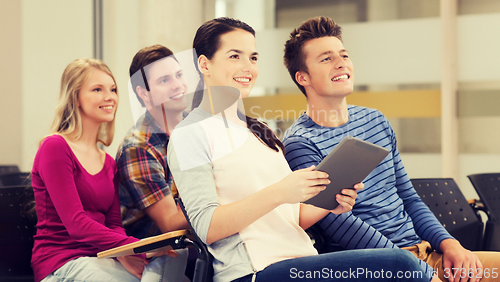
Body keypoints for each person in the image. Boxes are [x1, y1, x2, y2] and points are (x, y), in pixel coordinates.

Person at [167, 17, 436, 282]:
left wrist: (331, 204)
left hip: (301, 258)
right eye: (235, 56)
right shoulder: (189, 135)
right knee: (400, 264)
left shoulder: (258, 131)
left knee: (401, 266)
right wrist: (279, 192)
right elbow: (207, 227)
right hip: (255, 270)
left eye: (253, 58)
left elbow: (293, 217)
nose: (247, 67)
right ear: (205, 64)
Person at [282, 16, 500, 282]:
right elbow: (335, 224)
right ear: (302, 77)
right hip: (378, 266)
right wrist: (407, 265)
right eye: (326, 59)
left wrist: (449, 244)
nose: (341, 63)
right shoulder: (301, 143)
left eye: (344, 55)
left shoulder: (375, 120)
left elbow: (408, 196)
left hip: (425, 253)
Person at [30, 58, 182, 282]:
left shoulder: (108, 161)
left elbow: (113, 225)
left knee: (176, 263)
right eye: (97, 89)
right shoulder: (55, 147)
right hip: (61, 262)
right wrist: (132, 247)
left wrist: (123, 254)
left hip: (101, 258)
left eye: (113, 89)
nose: (109, 97)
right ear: (75, 98)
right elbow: (76, 223)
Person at [115, 45, 189, 279]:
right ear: (144, 95)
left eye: (179, 75)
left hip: (195, 242)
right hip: (155, 257)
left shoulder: (197, 129)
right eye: (164, 80)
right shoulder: (138, 147)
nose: (178, 85)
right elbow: (171, 225)